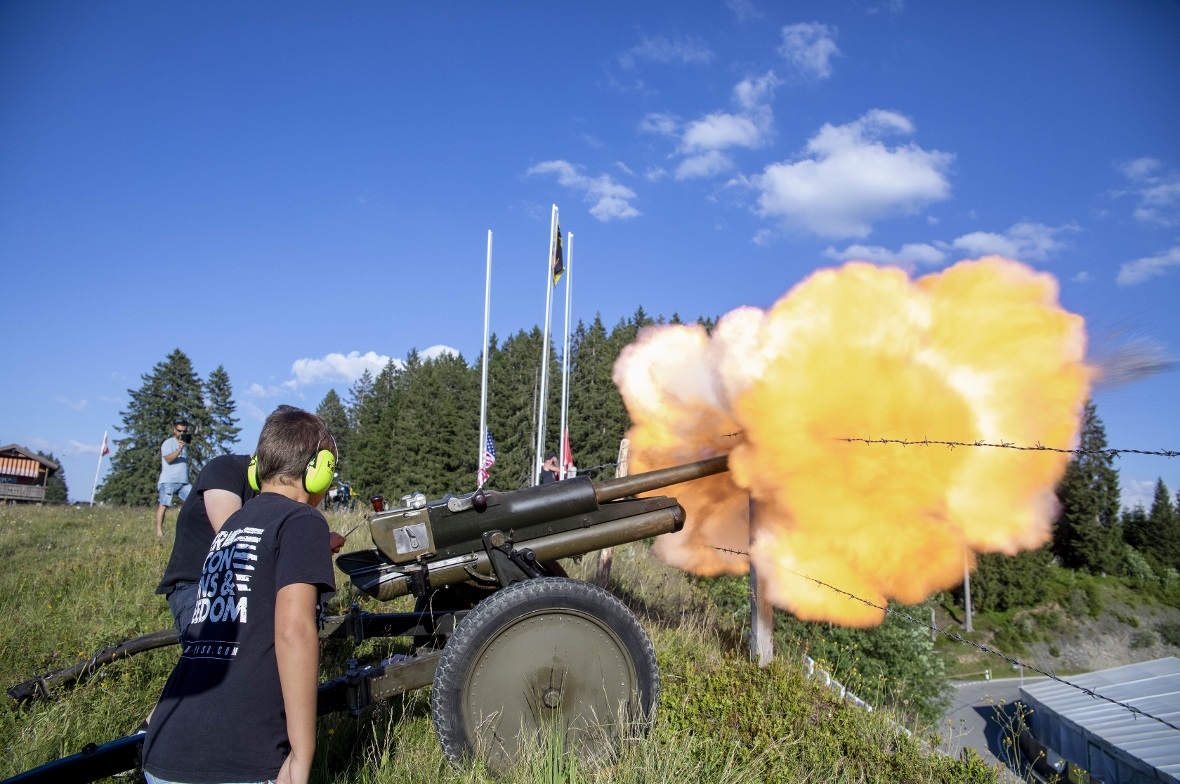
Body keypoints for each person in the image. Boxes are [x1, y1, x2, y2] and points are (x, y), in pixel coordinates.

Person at [142, 406, 337, 784]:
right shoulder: (302, 519)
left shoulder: (233, 526)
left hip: (165, 750)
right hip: (238, 759)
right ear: (319, 471)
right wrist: (302, 754)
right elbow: (294, 632)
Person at [157, 453, 347, 638]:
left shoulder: (282, 495)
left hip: (256, 586)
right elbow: (235, 544)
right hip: (200, 585)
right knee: (218, 647)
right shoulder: (224, 470)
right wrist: (310, 546)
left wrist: (312, 544)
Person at [156, 420, 193, 539]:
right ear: (174, 430)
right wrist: (179, 449)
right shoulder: (168, 443)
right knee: (164, 504)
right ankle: (159, 532)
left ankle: (191, 529)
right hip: (169, 480)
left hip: (184, 482)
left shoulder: (184, 445)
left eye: (184, 431)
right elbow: (168, 459)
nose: (181, 433)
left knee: (195, 502)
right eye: (179, 430)